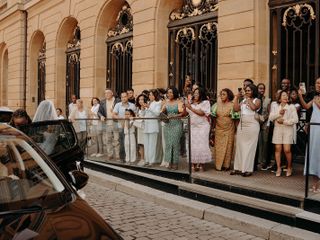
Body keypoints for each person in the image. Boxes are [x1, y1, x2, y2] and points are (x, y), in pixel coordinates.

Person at [231, 84, 261, 177]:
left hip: (252, 125)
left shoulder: (257, 100)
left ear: (253, 91)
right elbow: (236, 109)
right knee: (240, 146)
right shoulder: (243, 100)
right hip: (242, 125)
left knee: (249, 148)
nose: (247, 92)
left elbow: (253, 108)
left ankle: (247, 169)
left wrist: (248, 99)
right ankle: (238, 168)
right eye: (246, 90)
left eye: (249, 90)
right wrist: (236, 98)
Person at [269, 90, 298, 177]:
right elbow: (270, 118)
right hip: (277, 129)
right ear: (280, 98)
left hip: (288, 129)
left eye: (286, 95)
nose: (285, 97)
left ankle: (289, 167)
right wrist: (279, 114)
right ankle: (278, 168)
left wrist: (284, 121)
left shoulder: (291, 107)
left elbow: (295, 120)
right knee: (278, 149)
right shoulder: (275, 106)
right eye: (283, 95)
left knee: (287, 150)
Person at [298, 78, 320, 192]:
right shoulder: (315, 97)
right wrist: (300, 96)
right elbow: (306, 107)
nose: (318, 84)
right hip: (314, 128)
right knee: (314, 153)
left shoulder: (317, 98)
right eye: (316, 82)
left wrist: (316, 101)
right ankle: (316, 182)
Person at [186, 87, 212, 172]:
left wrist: (191, 108)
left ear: (201, 94)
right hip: (193, 126)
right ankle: (193, 164)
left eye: (197, 93)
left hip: (203, 126)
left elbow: (202, 113)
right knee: (193, 145)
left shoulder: (206, 102)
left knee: (202, 144)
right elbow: (186, 112)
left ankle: (201, 164)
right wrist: (185, 105)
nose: (195, 94)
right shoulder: (191, 102)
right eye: (195, 93)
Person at [161, 86, 186, 170]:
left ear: (174, 93)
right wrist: (163, 113)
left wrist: (174, 116)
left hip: (176, 124)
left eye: (171, 92)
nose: (169, 94)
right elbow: (162, 113)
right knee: (168, 144)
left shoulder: (179, 102)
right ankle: (169, 162)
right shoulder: (166, 103)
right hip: (167, 125)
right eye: (168, 92)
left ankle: (175, 162)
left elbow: (183, 114)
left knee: (175, 144)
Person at [211, 88, 236, 171]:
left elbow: (235, 118)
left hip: (229, 129)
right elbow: (213, 117)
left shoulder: (232, 105)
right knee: (218, 147)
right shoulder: (216, 105)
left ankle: (226, 166)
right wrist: (213, 128)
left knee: (228, 147)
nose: (221, 96)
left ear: (228, 95)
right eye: (221, 94)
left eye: (224, 94)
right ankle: (218, 165)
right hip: (218, 129)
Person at [113, 92, 136, 161]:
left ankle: (132, 158)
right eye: (122, 97)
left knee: (131, 144)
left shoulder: (132, 105)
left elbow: (135, 115)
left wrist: (131, 120)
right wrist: (121, 119)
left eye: (125, 96)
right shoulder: (118, 105)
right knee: (122, 143)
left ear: (128, 97)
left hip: (131, 127)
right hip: (121, 126)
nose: (123, 98)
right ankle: (123, 158)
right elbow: (113, 115)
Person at [140, 89, 162, 166]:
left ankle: (151, 161)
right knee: (146, 144)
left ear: (155, 95)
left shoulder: (158, 103)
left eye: (152, 95)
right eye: (149, 95)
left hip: (153, 126)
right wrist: (142, 109)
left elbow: (157, 113)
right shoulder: (148, 102)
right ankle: (147, 160)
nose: (150, 96)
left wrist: (148, 107)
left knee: (152, 144)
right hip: (146, 126)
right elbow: (143, 114)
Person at [98, 89, 120, 160]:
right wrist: (101, 116)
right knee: (108, 140)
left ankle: (117, 155)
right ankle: (110, 155)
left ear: (112, 93)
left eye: (108, 93)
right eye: (105, 93)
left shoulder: (117, 101)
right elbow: (99, 112)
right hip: (107, 123)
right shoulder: (102, 102)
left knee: (116, 140)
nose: (106, 95)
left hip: (116, 122)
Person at [256, 83, 272, 170]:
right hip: (256, 123)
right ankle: (258, 161)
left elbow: (269, 112)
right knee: (258, 142)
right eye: (260, 88)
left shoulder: (268, 100)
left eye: (263, 89)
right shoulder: (255, 100)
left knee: (265, 142)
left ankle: (264, 162)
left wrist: (264, 119)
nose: (261, 90)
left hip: (265, 123)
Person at [135, 93, 148, 163]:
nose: (140, 101)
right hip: (139, 127)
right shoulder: (137, 108)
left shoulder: (147, 108)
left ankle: (146, 159)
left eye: (142, 99)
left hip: (145, 127)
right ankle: (142, 159)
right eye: (139, 99)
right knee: (140, 143)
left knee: (145, 143)